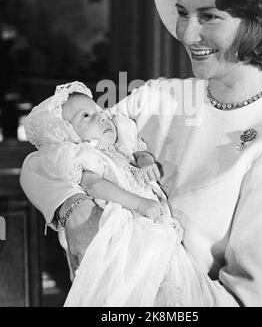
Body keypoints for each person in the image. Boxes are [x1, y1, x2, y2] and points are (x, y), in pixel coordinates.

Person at [21, 0, 262, 306]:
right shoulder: (156, 98)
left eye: (210, 16)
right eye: (183, 13)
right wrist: (72, 209)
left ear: (260, 20)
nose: (187, 33)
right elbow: (43, 161)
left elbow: (244, 303)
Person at [23, 81, 201, 306]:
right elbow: (95, 186)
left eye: (99, 111)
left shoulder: (119, 145)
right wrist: (139, 204)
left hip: (149, 223)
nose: (101, 117)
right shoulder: (84, 157)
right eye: (85, 116)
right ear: (67, 134)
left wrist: (145, 160)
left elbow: (137, 151)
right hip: (120, 224)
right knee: (124, 286)